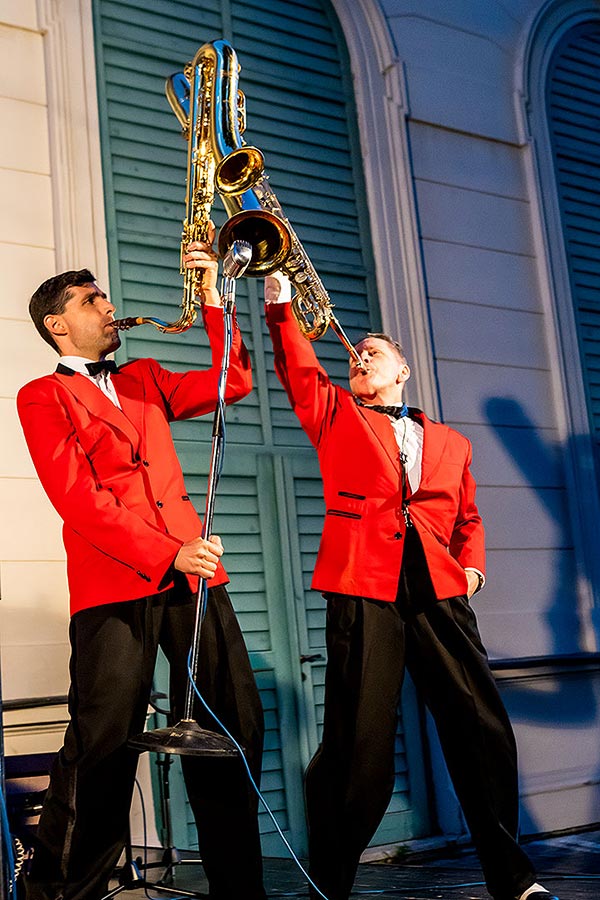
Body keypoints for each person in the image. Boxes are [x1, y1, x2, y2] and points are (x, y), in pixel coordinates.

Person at [263, 272, 559, 900]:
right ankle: (331, 886)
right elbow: (296, 367)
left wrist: (472, 568)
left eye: (373, 350)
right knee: (358, 741)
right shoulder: (337, 415)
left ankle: (514, 882)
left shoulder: (452, 442)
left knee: (482, 727)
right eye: (355, 355)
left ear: (402, 370)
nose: (359, 356)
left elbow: (467, 517)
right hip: (363, 588)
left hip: (440, 591)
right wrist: (280, 299)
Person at [16, 231, 267, 900]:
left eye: (104, 296)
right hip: (115, 584)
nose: (107, 305)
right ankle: (64, 891)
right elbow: (80, 500)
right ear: (57, 322)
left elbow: (232, 380)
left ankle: (240, 889)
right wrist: (164, 550)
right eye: (90, 298)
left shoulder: (146, 377)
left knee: (231, 727)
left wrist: (213, 293)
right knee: (103, 740)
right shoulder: (41, 397)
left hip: (196, 578)